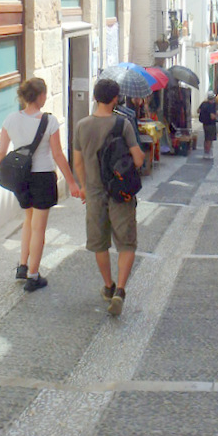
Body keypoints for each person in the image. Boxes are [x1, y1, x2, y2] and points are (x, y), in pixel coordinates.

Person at [0, 78, 80, 292]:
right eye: (45, 94)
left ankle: (22, 265)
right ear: (39, 96)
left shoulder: (11, 119)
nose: (46, 98)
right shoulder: (50, 122)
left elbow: (1, 151)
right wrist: (72, 182)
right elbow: (57, 154)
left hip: (21, 178)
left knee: (28, 220)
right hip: (43, 177)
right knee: (39, 228)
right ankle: (33, 275)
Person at [73, 78, 145, 316]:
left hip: (94, 194)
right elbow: (138, 159)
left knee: (99, 243)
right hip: (120, 193)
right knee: (127, 243)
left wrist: (84, 187)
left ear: (95, 97)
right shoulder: (122, 124)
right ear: (115, 99)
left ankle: (108, 285)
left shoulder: (81, 126)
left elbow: (78, 162)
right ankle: (120, 291)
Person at [198, 90, 217, 159]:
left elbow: (198, 110)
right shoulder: (212, 105)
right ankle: (208, 153)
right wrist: (217, 116)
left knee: (206, 138)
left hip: (204, 123)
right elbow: (212, 116)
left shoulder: (203, 103)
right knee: (209, 139)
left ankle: (205, 152)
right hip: (211, 124)